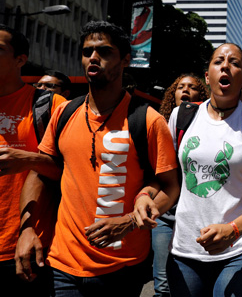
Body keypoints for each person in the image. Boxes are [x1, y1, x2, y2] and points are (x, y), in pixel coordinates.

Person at [13, 20, 180, 296]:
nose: (93, 57)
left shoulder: (148, 119)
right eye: (87, 51)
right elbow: (41, 172)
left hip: (122, 268)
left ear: (126, 59)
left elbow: (170, 186)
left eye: (104, 51)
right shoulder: (64, 114)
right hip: (63, 263)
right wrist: (27, 228)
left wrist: (129, 221)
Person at [166, 43, 242, 296]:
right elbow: (170, 182)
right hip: (185, 251)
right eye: (219, 61)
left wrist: (235, 229)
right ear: (208, 76)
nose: (226, 66)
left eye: (235, 63)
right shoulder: (181, 117)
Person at [0, 24, 66, 296]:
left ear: (20, 60)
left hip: (27, 244)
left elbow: (74, 171)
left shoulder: (51, 105)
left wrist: (29, 159)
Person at [153, 74, 208, 297]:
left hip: (197, 215)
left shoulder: (208, 124)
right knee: (163, 285)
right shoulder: (156, 123)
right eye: (180, 87)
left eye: (192, 87)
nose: (185, 90)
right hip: (166, 215)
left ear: (201, 95)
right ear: (172, 93)